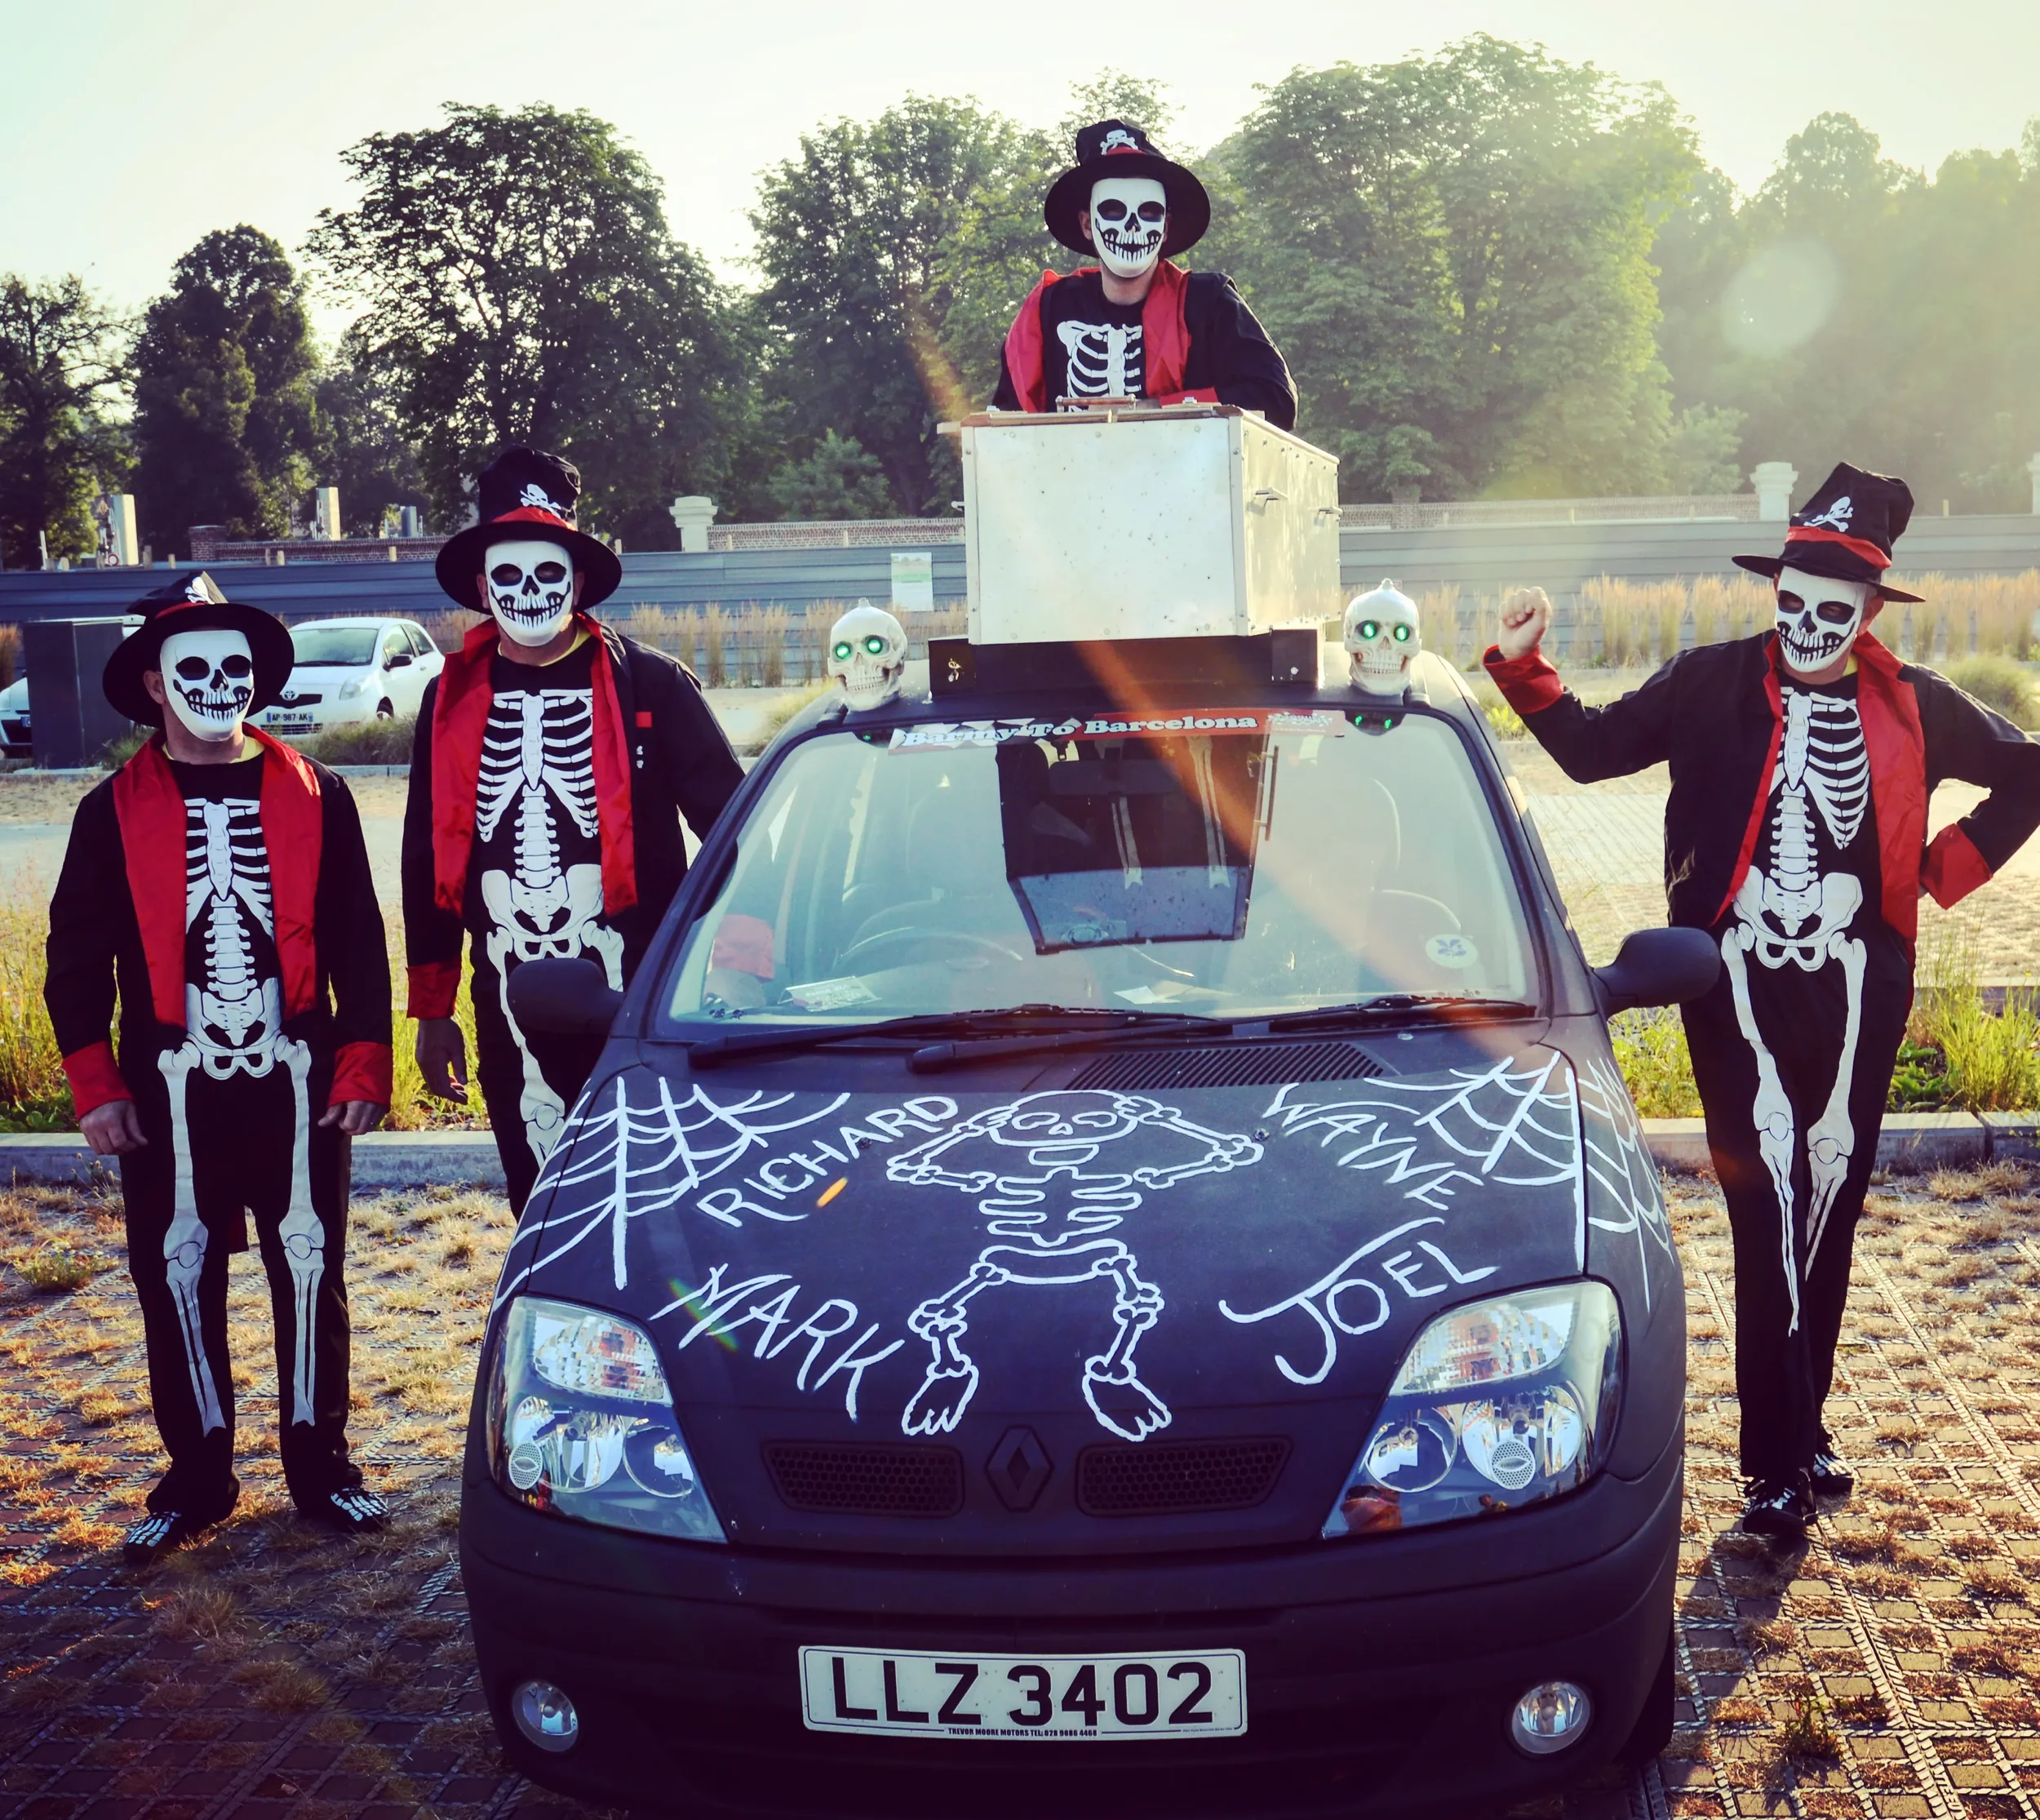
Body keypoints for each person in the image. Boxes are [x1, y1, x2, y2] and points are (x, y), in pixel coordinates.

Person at [1484, 464, 2040, 1543]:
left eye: (1837, 601)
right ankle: (1771, 1465)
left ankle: (1808, 1423)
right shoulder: (1707, 681)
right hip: (1732, 978)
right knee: (1764, 1208)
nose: (1810, 619)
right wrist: (1521, 661)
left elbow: (2029, 772)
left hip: (1856, 981)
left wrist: (1944, 866)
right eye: (1796, 592)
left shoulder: (1915, 703)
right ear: (1776, 585)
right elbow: (1595, 750)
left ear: (1871, 610)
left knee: (1828, 1202)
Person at [45, 574, 393, 1564]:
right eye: (191, 667)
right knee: (175, 1270)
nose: (217, 683)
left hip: (293, 1062)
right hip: (168, 1075)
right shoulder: (109, 811)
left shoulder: (318, 795)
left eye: (234, 666)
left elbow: (357, 938)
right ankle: (196, 1481)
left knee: (310, 1261)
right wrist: (96, 1083)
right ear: (154, 686)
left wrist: (363, 1058)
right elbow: (73, 963)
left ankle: (321, 1466)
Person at [403, 447, 744, 1212]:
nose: (528, 593)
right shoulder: (449, 701)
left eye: (548, 571)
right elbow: (428, 859)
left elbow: (736, 838)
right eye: (508, 573)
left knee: (655, 1189)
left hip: (639, 986)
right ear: (483, 585)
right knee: (539, 1197)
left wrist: (730, 969)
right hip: (506, 991)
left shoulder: (650, 684)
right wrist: (432, 1009)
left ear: (579, 579)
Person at [991, 119, 1295, 428]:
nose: (1133, 227)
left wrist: (1155, 410)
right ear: (1086, 224)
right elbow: (1005, 421)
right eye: (1113, 210)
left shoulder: (1208, 303)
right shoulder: (1048, 308)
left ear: (1165, 228)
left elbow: (1276, 399)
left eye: (1149, 212)